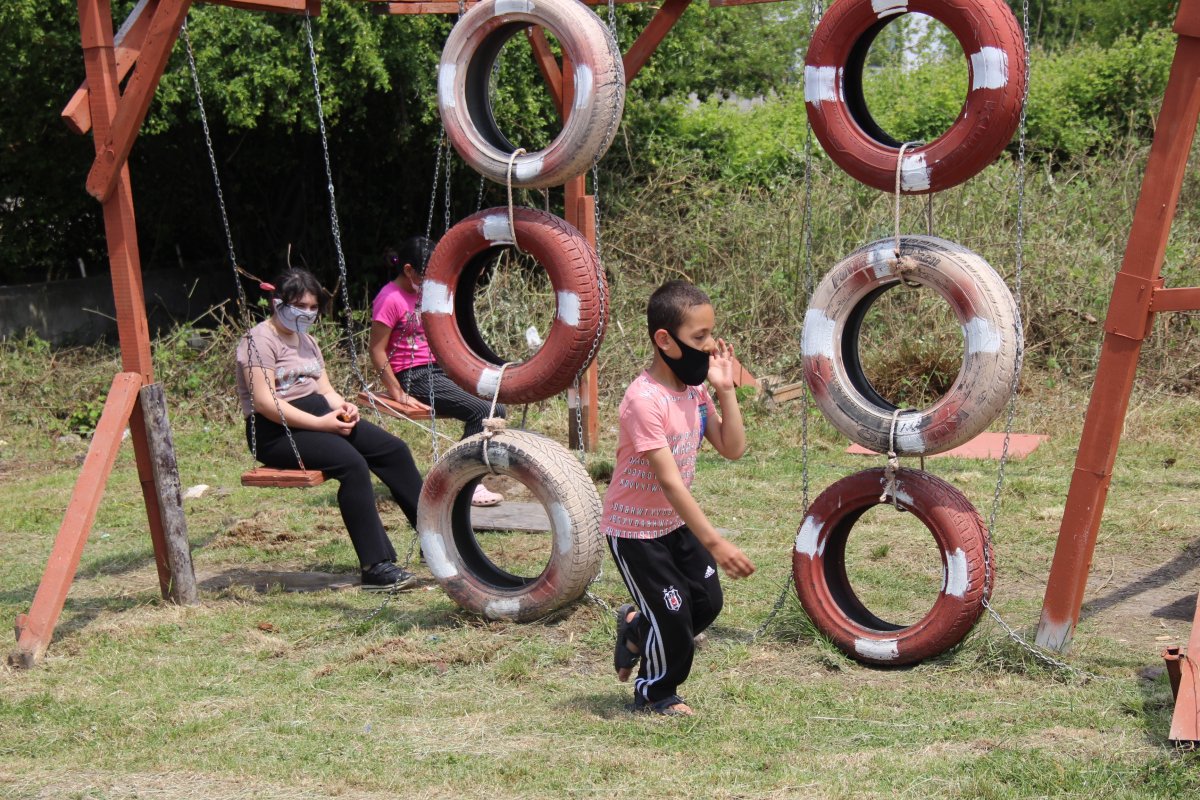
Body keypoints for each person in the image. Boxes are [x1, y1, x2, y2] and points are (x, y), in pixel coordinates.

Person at [602, 279, 757, 716]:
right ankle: (656, 694)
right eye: (699, 337)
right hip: (635, 533)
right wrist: (716, 542)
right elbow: (670, 482)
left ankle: (634, 627)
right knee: (673, 621)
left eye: (710, 335)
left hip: (673, 523)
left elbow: (732, 447)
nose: (709, 347)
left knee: (707, 604)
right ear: (665, 341)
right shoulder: (642, 401)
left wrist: (726, 390)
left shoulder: (695, 391)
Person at [235, 268, 423, 592]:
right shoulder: (258, 341)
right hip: (275, 432)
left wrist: (343, 407)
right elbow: (266, 403)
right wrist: (323, 424)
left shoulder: (306, 340)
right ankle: (375, 567)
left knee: (394, 450)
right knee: (352, 465)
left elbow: (326, 390)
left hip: (319, 415)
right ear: (276, 303)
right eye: (299, 306)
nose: (306, 313)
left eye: (312, 307)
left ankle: (436, 539)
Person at [368, 235, 504, 507]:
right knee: (482, 411)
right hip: (412, 375)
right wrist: (397, 392)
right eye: (426, 275)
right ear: (408, 270)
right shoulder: (390, 299)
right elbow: (376, 350)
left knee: (496, 407)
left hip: (439, 370)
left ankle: (460, 474)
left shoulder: (428, 294)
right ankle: (462, 482)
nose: (431, 282)